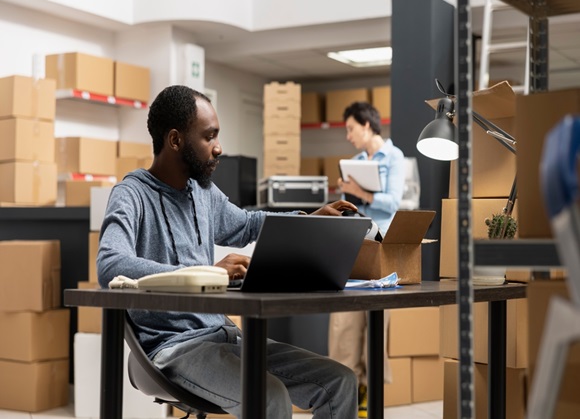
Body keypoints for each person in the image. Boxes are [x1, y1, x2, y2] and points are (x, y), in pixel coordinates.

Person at [97, 85, 361, 419]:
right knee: (268, 396)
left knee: (341, 381)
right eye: (209, 137)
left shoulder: (202, 192)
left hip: (225, 335)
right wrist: (206, 275)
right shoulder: (131, 194)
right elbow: (110, 266)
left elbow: (247, 224)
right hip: (172, 347)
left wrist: (309, 219)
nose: (219, 148)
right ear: (175, 140)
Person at [328, 101, 406, 418]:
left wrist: (363, 191)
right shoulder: (357, 161)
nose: (348, 136)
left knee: (376, 318)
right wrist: (348, 193)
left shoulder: (394, 156)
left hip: (383, 246)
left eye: (350, 129)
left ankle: (369, 389)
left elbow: (393, 203)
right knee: (346, 318)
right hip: (355, 240)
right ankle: (346, 382)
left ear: (367, 125)